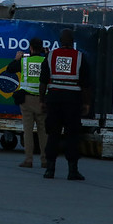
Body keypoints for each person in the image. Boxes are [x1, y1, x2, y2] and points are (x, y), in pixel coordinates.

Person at [40, 28, 90, 180]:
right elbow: (86, 84)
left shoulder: (51, 56)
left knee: (53, 134)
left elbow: (43, 81)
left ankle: (50, 169)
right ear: (72, 41)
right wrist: (86, 103)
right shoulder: (80, 57)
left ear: (60, 41)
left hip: (54, 99)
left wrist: (42, 100)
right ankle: (72, 170)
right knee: (72, 135)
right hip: (72, 100)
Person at [7, 37, 48, 169]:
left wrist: (16, 58)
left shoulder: (24, 61)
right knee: (43, 131)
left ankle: (29, 160)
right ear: (41, 48)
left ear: (30, 48)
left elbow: (10, 69)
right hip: (42, 100)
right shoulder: (46, 61)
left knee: (28, 131)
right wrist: (47, 55)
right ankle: (45, 160)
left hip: (27, 100)